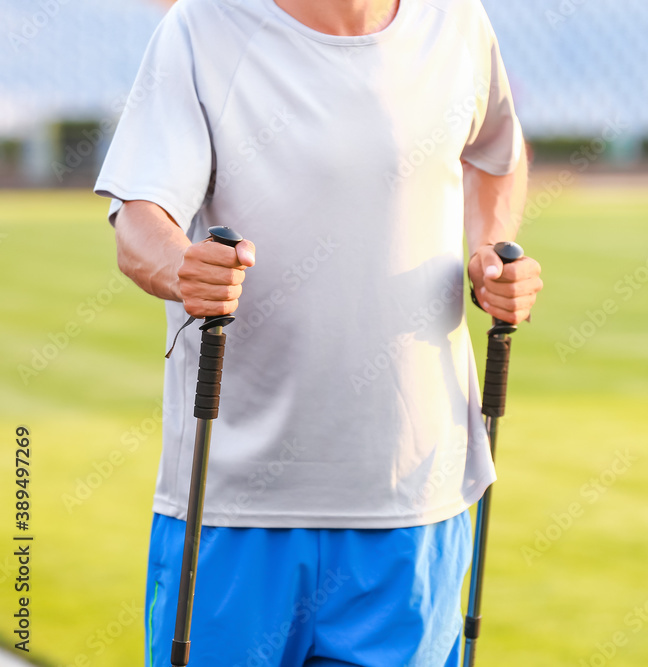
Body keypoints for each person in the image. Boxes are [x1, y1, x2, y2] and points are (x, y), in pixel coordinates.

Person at [94, 0, 542, 663]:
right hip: (233, 511)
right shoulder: (200, 27)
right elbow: (139, 220)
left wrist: (494, 250)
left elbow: (498, 154)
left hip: (414, 508)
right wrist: (183, 267)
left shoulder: (458, 23)